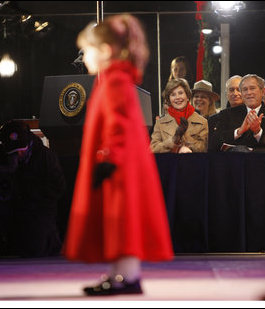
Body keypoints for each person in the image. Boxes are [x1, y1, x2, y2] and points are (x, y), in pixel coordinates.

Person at [63, 14, 174, 296]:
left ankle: (127, 276)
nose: (83, 57)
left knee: (121, 219)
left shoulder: (115, 82)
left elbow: (120, 125)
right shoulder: (115, 80)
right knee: (117, 220)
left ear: (105, 51)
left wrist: (109, 158)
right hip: (120, 162)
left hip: (118, 164)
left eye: (86, 51)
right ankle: (120, 274)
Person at [0, 119, 66, 257]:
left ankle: (47, 240)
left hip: (36, 208)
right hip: (7, 206)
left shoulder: (44, 156)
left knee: (34, 246)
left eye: (21, 150)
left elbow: (58, 187)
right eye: (13, 152)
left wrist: (28, 188)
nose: (18, 155)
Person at [209, 74, 265, 152]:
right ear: (242, 94)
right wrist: (238, 132)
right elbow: (213, 144)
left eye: (252, 88)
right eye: (245, 89)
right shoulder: (226, 115)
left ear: (262, 91)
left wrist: (258, 132)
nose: (248, 93)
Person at [150, 78, 208, 153]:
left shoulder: (202, 122)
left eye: (180, 93)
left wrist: (186, 143)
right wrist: (173, 140)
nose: (177, 97)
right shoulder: (160, 123)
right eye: (173, 94)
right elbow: (153, 149)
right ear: (169, 100)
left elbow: (204, 148)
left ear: (187, 96)